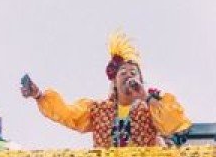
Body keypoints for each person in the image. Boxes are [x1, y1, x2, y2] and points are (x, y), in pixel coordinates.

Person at [20, 33, 189, 149]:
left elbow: (174, 124)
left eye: (133, 73)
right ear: (114, 82)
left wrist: (145, 97)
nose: (128, 76)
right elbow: (68, 114)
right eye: (122, 73)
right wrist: (39, 95)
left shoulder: (151, 107)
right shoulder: (98, 110)